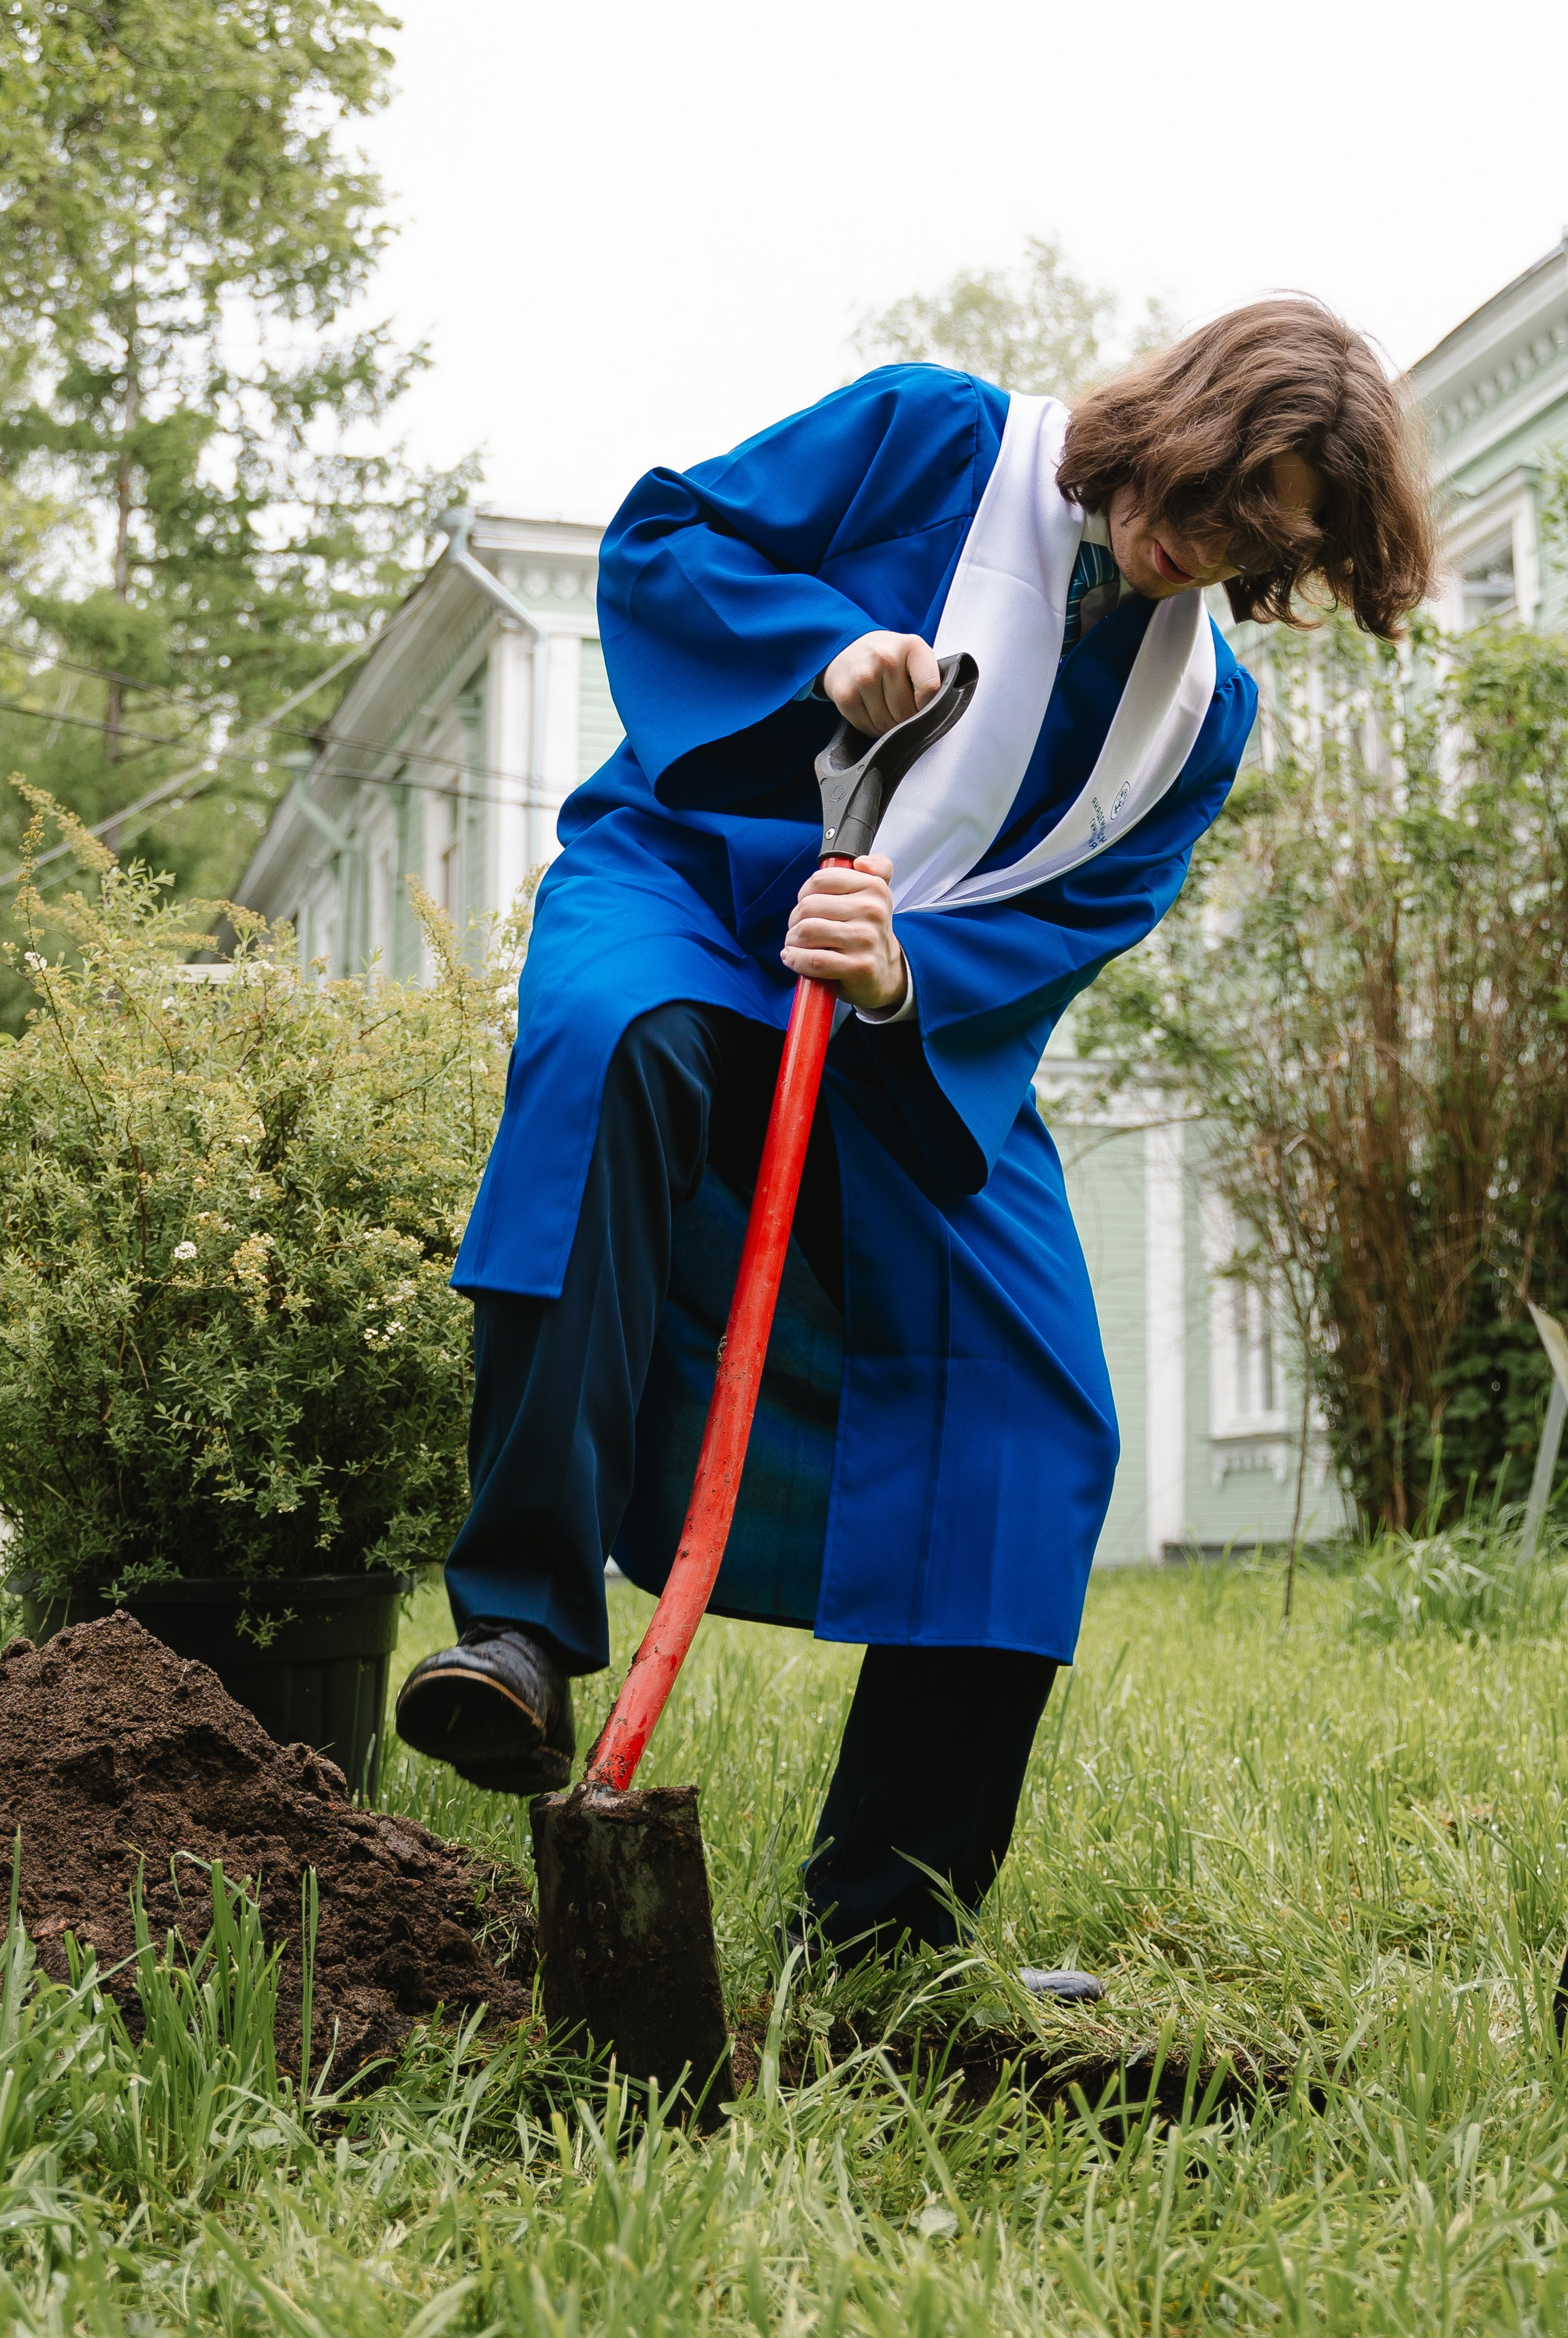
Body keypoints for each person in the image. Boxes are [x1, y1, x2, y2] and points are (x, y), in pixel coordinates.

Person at [396, 297, 1435, 1960]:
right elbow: (668, 547)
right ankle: (518, 1634)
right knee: (621, 1046)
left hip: (897, 1022)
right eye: (1223, 488)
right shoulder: (936, 437)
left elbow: (1076, 923)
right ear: (1176, 414)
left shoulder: (1196, 722)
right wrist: (819, 649)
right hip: (691, 894)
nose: (1212, 545)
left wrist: (900, 973)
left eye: (1265, 537)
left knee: (1037, 1410)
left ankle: (883, 1922)